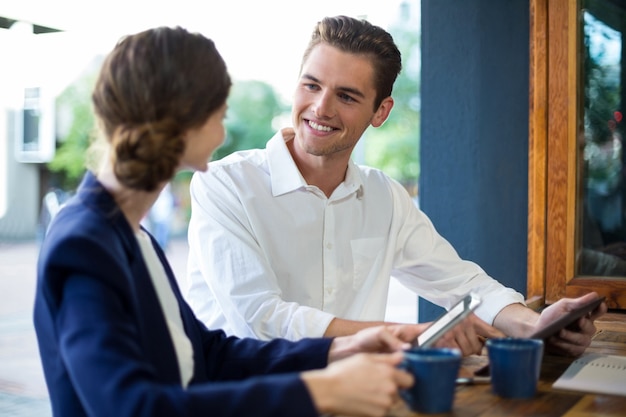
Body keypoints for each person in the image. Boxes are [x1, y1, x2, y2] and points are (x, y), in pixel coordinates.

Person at [33, 26, 429, 417]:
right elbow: (130, 407)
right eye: (220, 113)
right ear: (183, 120)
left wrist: (343, 347)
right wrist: (320, 391)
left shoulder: (132, 236)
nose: (223, 130)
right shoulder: (83, 244)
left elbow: (206, 353)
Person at [185, 15, 606, 356]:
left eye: (347, 96)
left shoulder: (383, 196)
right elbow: (261, 319)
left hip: (357, 399)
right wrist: (415, 335)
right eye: (311, 85)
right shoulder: (225, 185)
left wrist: (536, 325)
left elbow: (462, 283)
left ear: (380, 111)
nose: (320, 108)